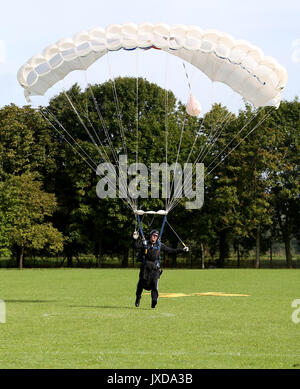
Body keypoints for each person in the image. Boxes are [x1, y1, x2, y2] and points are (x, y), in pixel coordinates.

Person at [133, 229, 189, 309]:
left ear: (157, 237)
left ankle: (154, 300)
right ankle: (138, 298)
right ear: (150, 236)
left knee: (154, 285)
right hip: (145, 268)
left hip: (155, 269)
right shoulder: (145, 243)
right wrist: (135, 238)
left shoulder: (159, 245)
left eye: (156, 236)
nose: (154, 237)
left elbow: (171, 250)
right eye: (153, 235)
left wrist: (182, 250)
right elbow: (135, 246)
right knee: (141, 284)